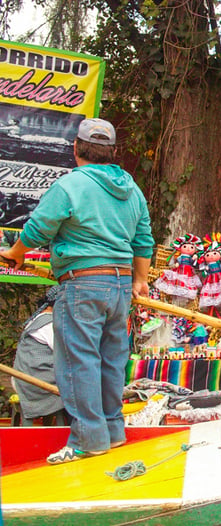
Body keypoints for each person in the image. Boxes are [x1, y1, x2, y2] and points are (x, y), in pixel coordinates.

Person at [0, 118, 154, 464]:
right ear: (112, 153)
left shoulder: (71, 184)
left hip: (82, 282)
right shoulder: (130, 187)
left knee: (78, 361)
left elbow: (39, 228)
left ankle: (87, 437)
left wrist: (15, 253)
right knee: (111, 360)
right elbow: (143, 238)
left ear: (76, 149)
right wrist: (140, 280)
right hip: (119, 285)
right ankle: (112, 431)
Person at [11, 287, 66, 425]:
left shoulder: (38, 320)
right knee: (78, 386)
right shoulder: (49, 324)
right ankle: (68, 431)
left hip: (25, 378)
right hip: (33, 383)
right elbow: (66, 354)